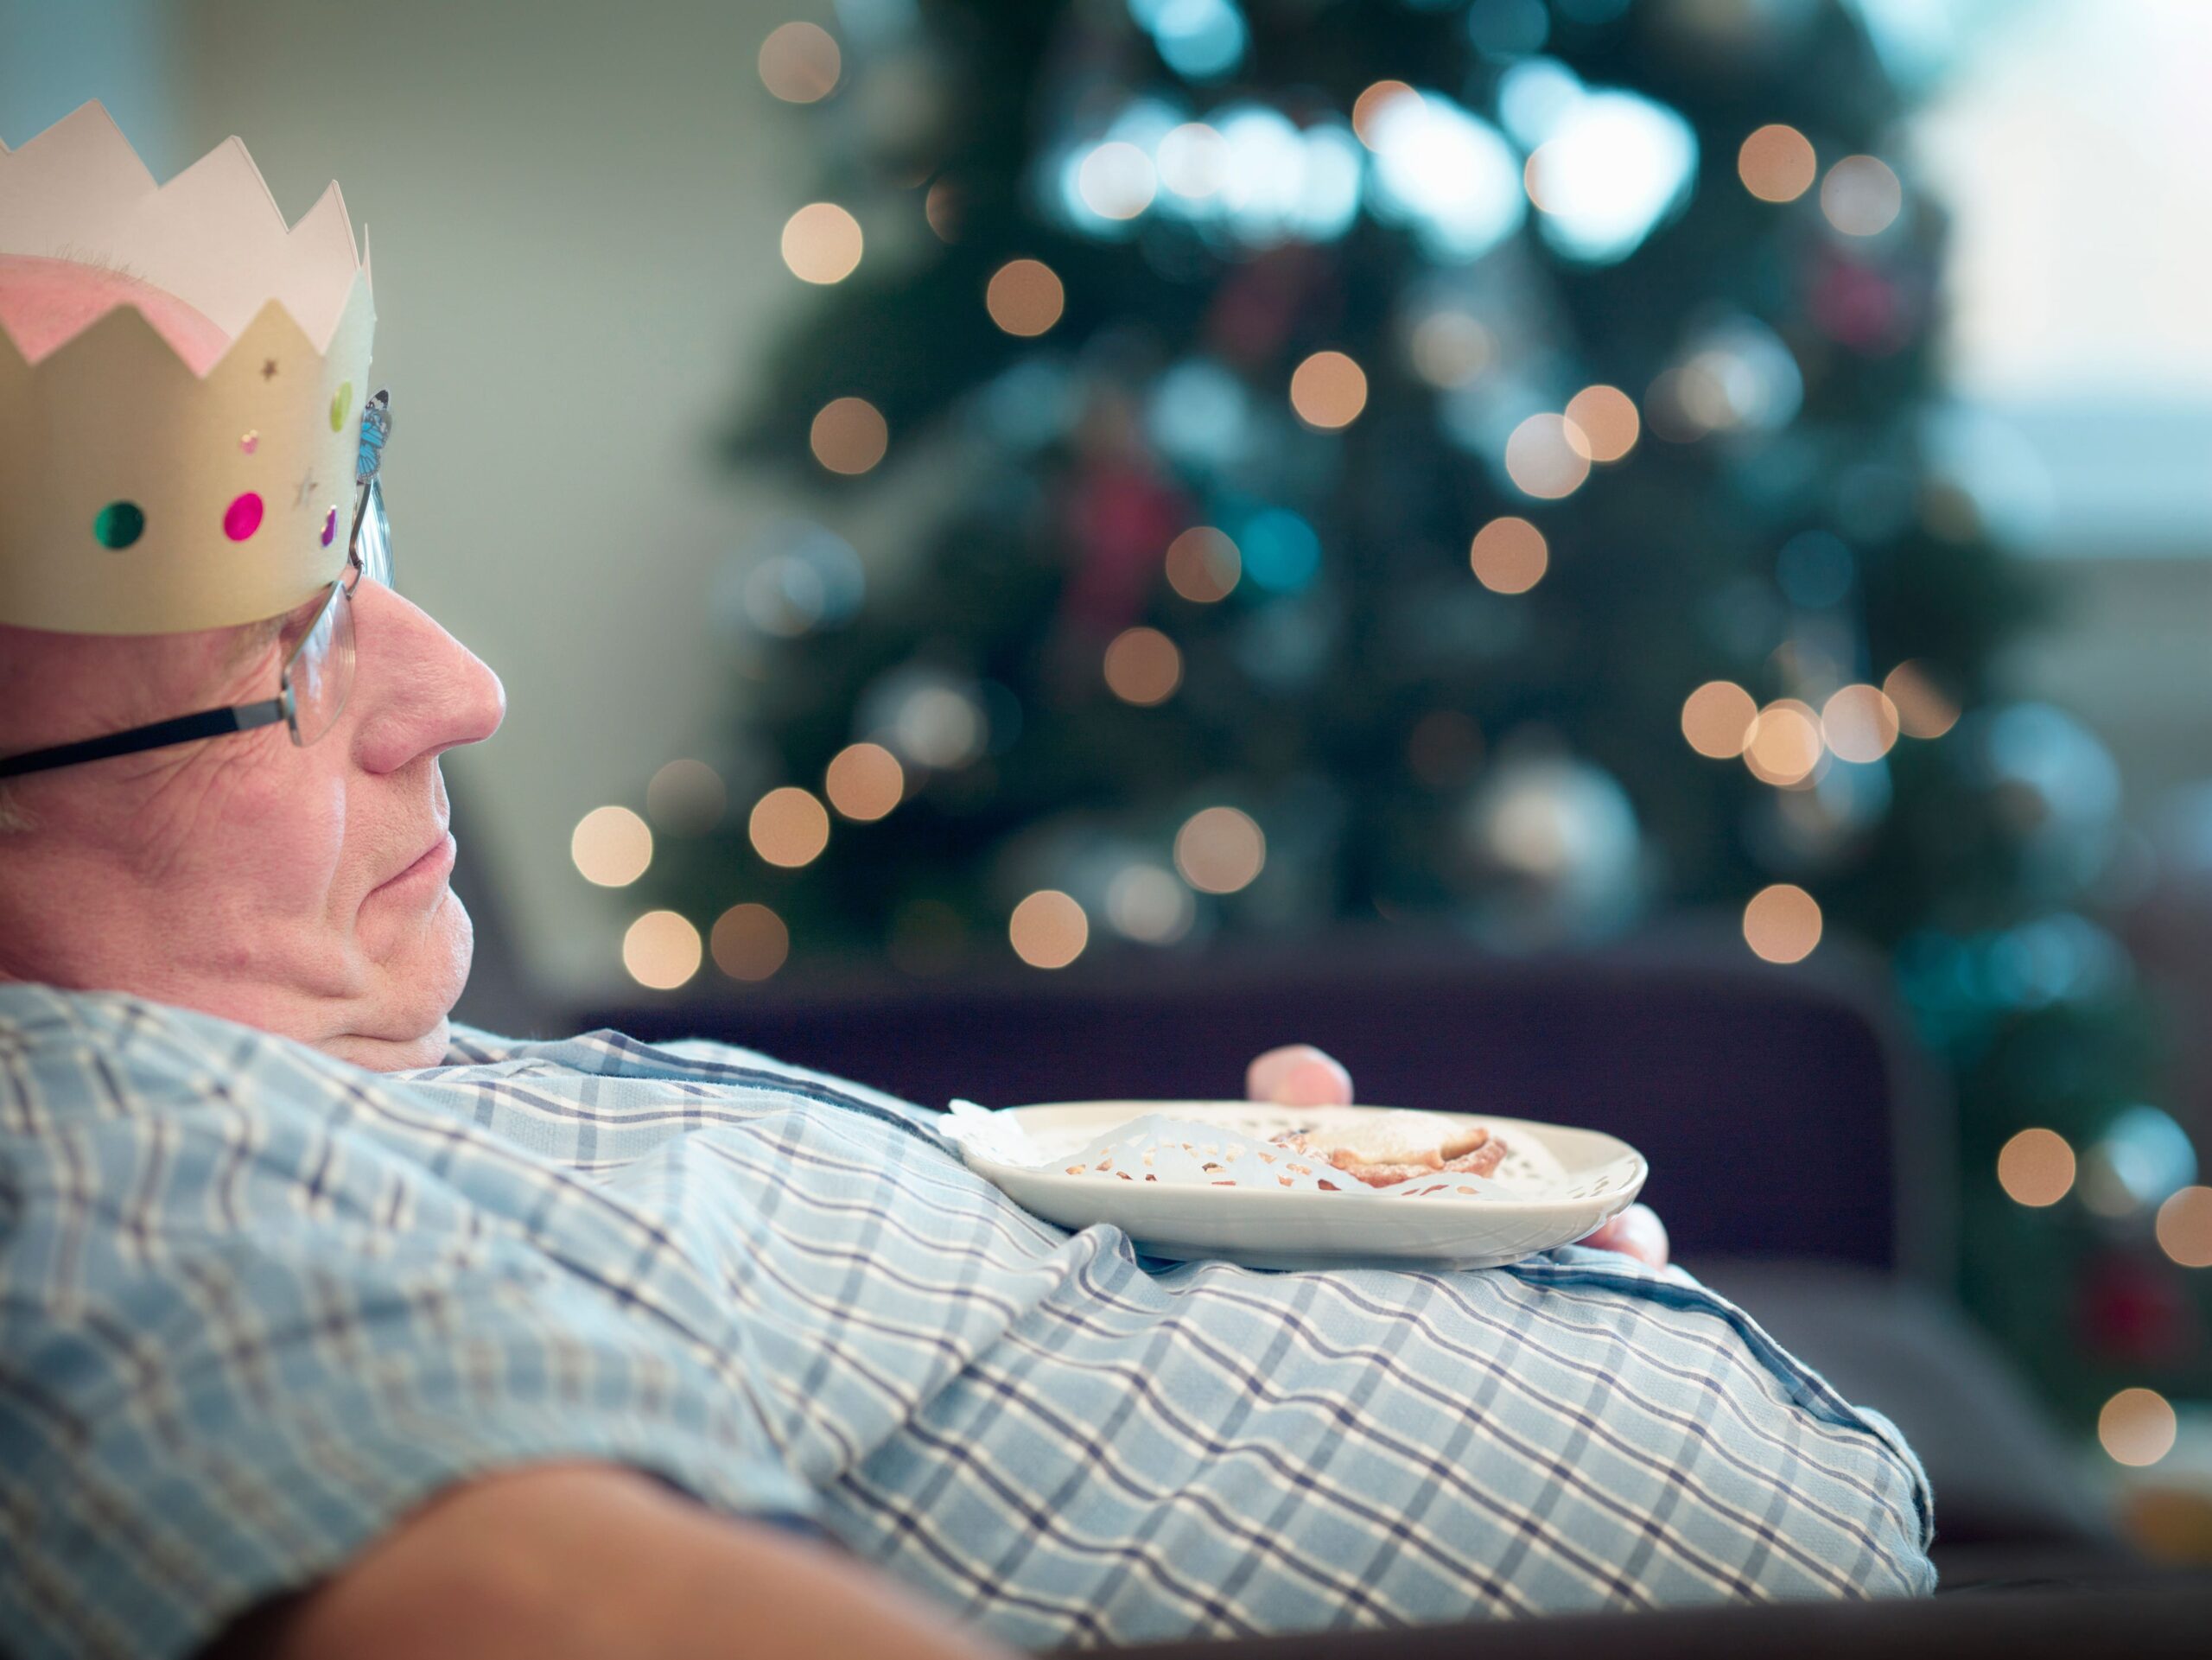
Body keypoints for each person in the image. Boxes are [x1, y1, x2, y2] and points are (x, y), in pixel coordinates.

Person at [0, 113, 1929, 1660]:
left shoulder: (313, 1060)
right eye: (283, 667)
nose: (463, 691)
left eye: (369, 566)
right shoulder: (83, 1166)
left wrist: (1300, 1271)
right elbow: (515, 1589)